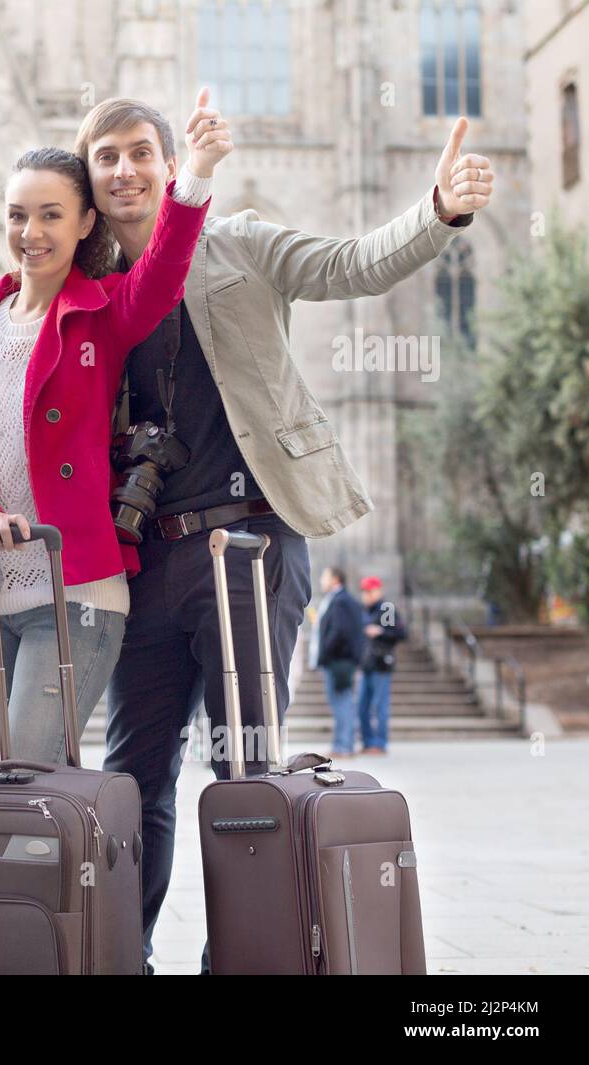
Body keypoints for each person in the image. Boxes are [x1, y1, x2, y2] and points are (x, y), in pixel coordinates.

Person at [74, 97, 495, 970]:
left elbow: (353, 265)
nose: (124, 170)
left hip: (249, 542)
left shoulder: (240, 241)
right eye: (105, 156)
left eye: (140, 152)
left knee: (249, 769)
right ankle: (127, 956)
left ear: (166, 161)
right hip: (142, 559)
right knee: (132, 776)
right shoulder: (89, 291)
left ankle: (250, 957)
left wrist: (439, 210)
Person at [0, 92, 223, 766]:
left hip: (74, 586)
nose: (32, 232)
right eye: (18, 215)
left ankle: (61, 874)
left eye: (51, 214)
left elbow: (165, 268)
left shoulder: (104, 311)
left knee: (29, 773)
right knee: (0, 782)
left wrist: (191, 178)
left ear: (86, 221)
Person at [316, 566, 365, 758]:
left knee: (342, 703)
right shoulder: (342, 600)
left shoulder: (341, 601)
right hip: (341, 660)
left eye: (324, 577)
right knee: (342, 703)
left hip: (338, 661)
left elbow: (339, 631)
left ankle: (344, 746)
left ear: (335, 579)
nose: (321, 581)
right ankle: (341, 744)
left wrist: (326, 652)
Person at [357, 575, 406, 754]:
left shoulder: (385, 609)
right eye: (365, 591)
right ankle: (368, 742)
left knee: (379, 705)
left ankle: (380, 743)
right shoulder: (365, 610)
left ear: (378, 591)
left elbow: (399, 633)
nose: (367, 595)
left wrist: (380, 632)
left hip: (380, 663)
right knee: (362, 706)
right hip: (366, 663)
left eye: (370, 591)